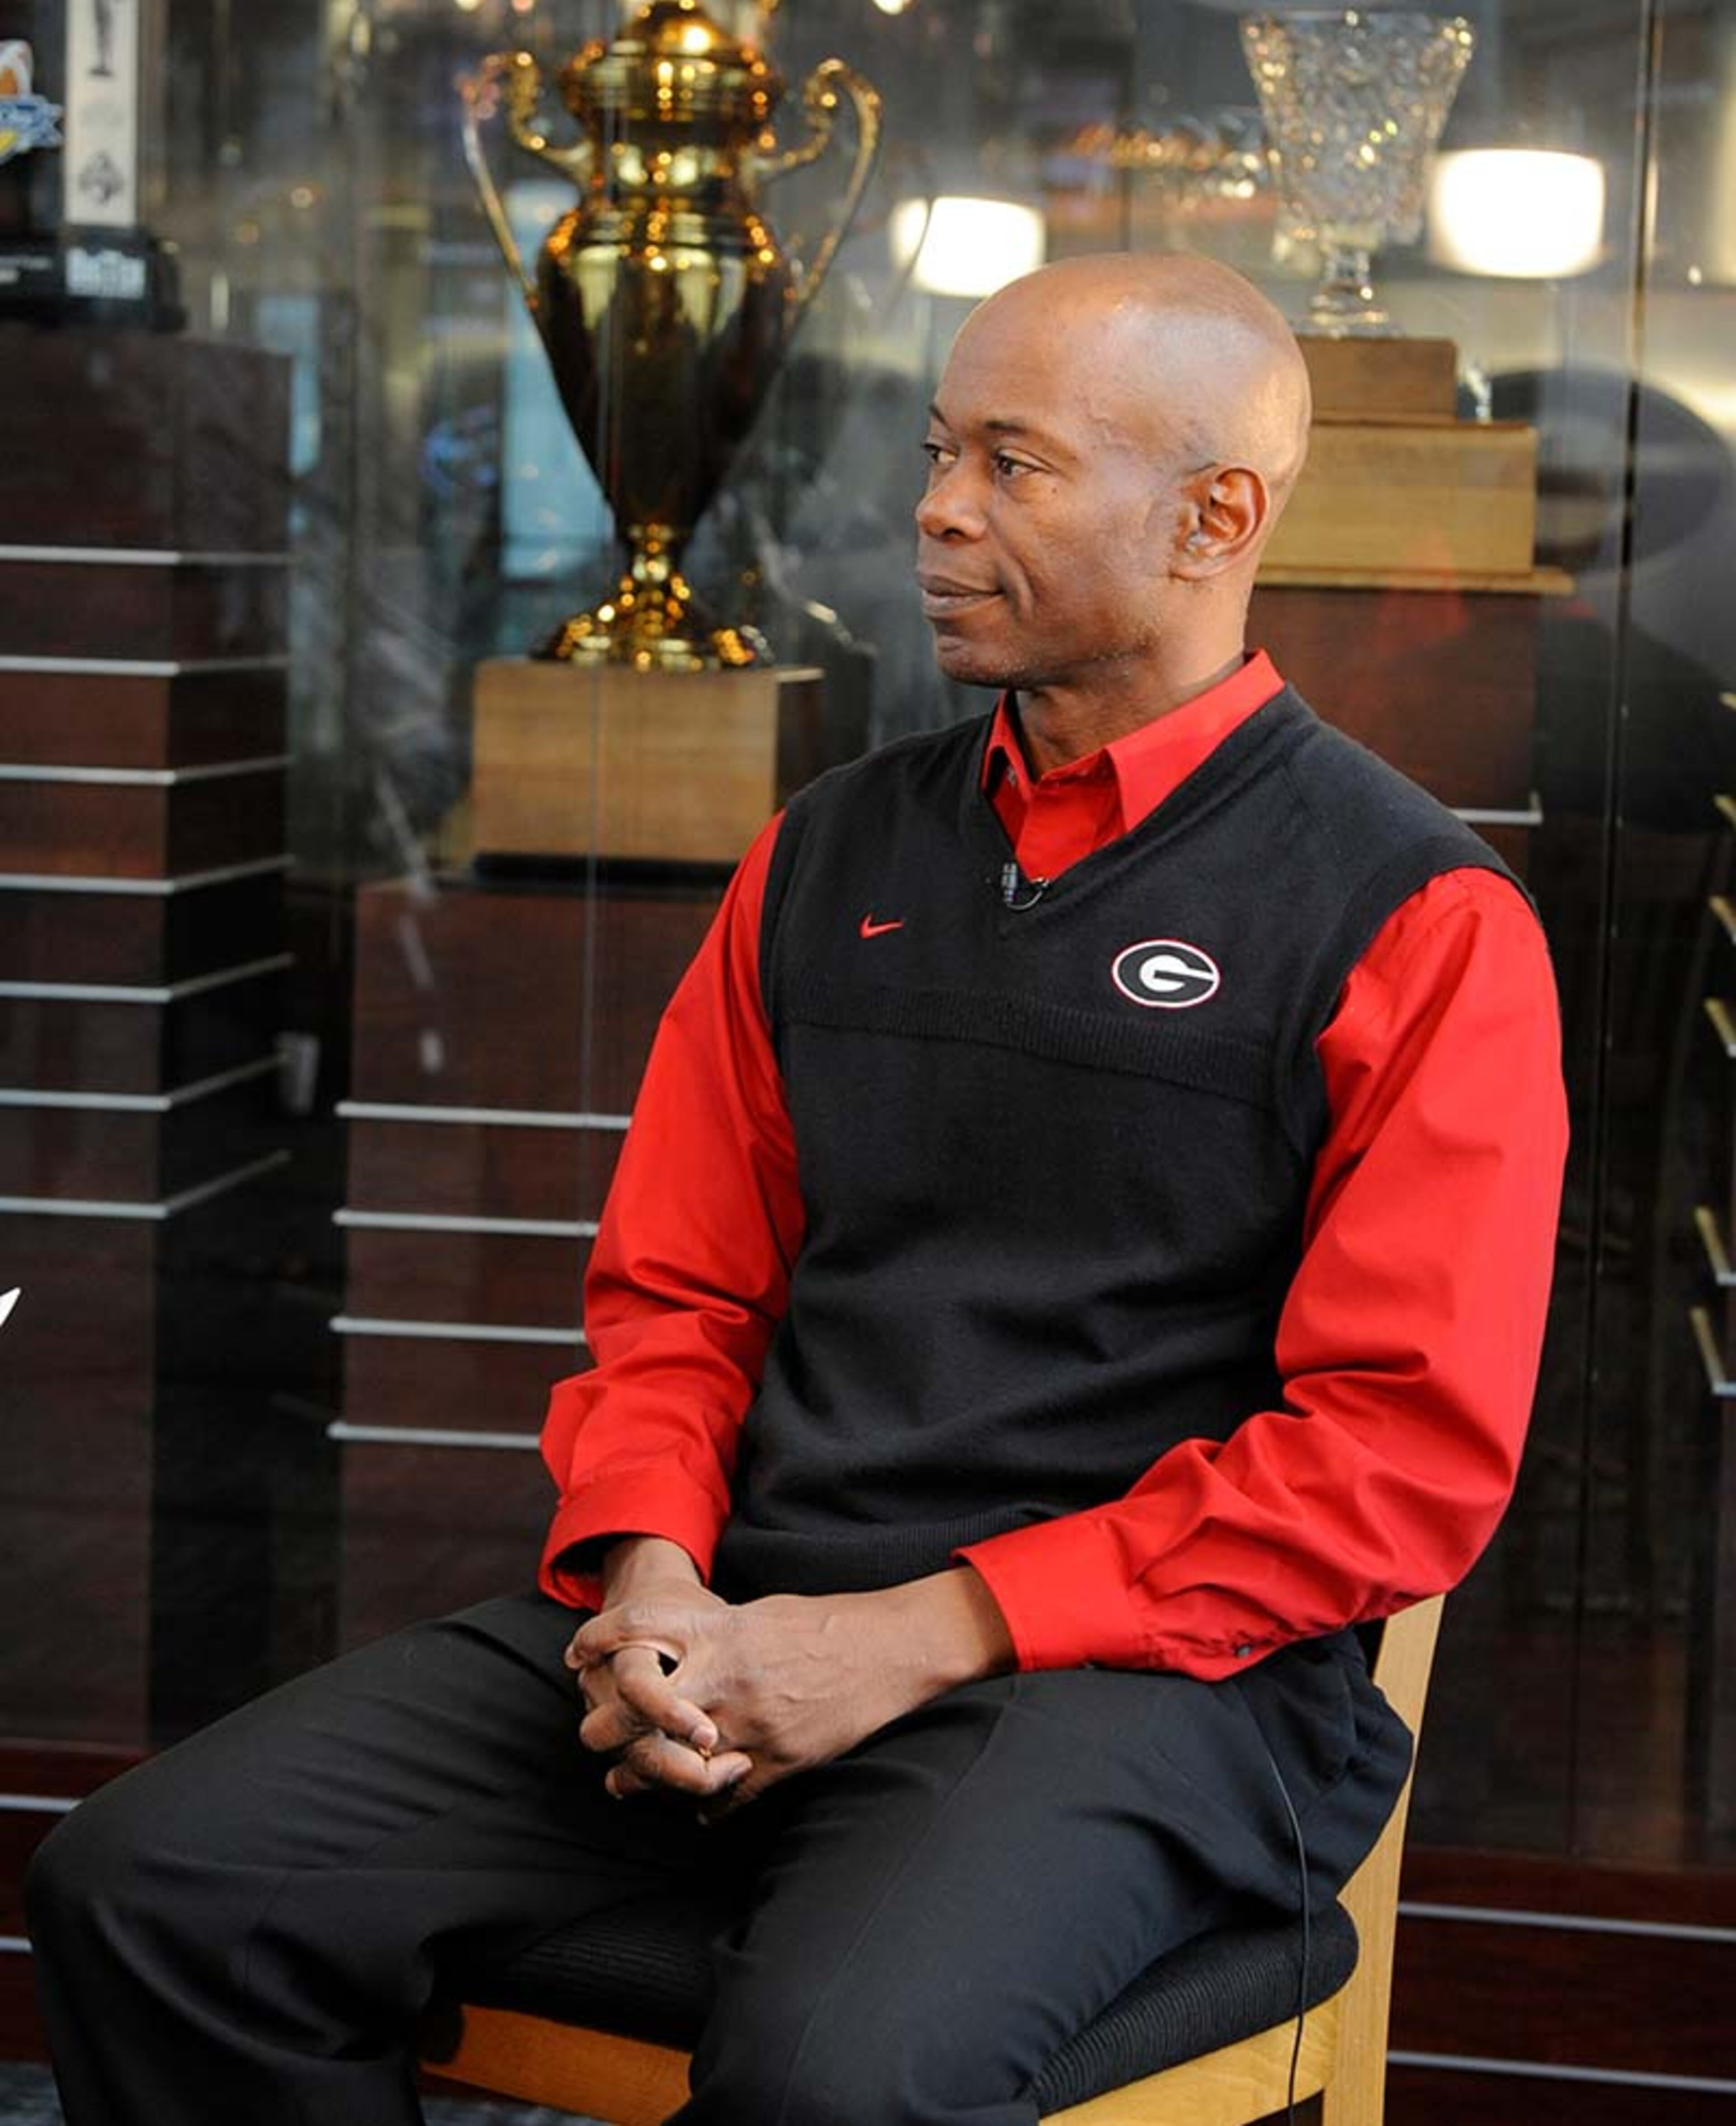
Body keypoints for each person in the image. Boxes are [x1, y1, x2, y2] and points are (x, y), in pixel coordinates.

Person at [25, 251, 1568, 2126]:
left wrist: (906, 1638)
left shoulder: (1417, 916)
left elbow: (1394, 1456)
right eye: (940, 451)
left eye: (1015, 463)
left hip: (1143, 1686)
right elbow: (680, 1296)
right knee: (154, 1891)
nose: (940, 508)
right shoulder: (829, 849)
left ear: (1214, 517)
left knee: (836, 2078)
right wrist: (654, 1578)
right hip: (744, 1614)